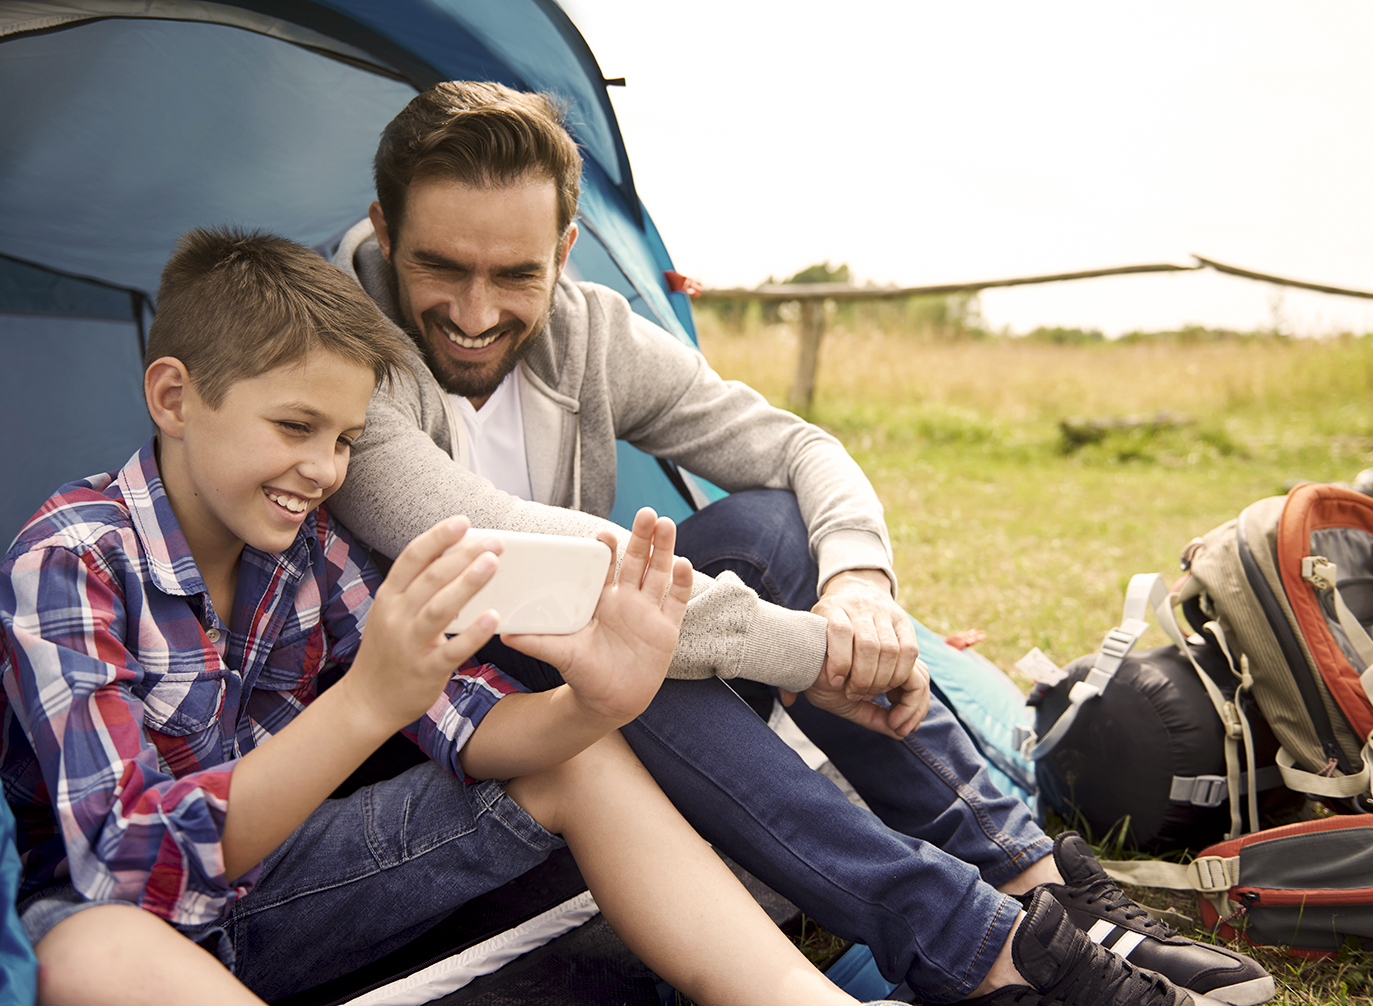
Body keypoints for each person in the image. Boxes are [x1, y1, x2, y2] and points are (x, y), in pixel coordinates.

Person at [326, 80, 1276, 1006]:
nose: (478, 311)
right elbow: (536, 568)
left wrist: (861, 588)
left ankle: (1033, 881)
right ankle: (976, 943)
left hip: (594, 661)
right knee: (607, 629)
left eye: (516, 274)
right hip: (448, 712)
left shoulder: (588, 331)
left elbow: (795, 445)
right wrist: (821, 653)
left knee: (772, 527)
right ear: (385, 222)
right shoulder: (333, 355)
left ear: (567, 250)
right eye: (441, 267)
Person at [0, 227, 917, 1006]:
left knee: (576, 756)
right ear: (175, 399)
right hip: (128, 930)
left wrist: (596, 704)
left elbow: (464, 719)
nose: (325, 469)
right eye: (294, 427)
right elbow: (128, 862)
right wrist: (364, 704)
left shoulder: (308, 548)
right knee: (88, 949)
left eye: (347, 439)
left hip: (279, 895)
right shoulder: (72, 557)